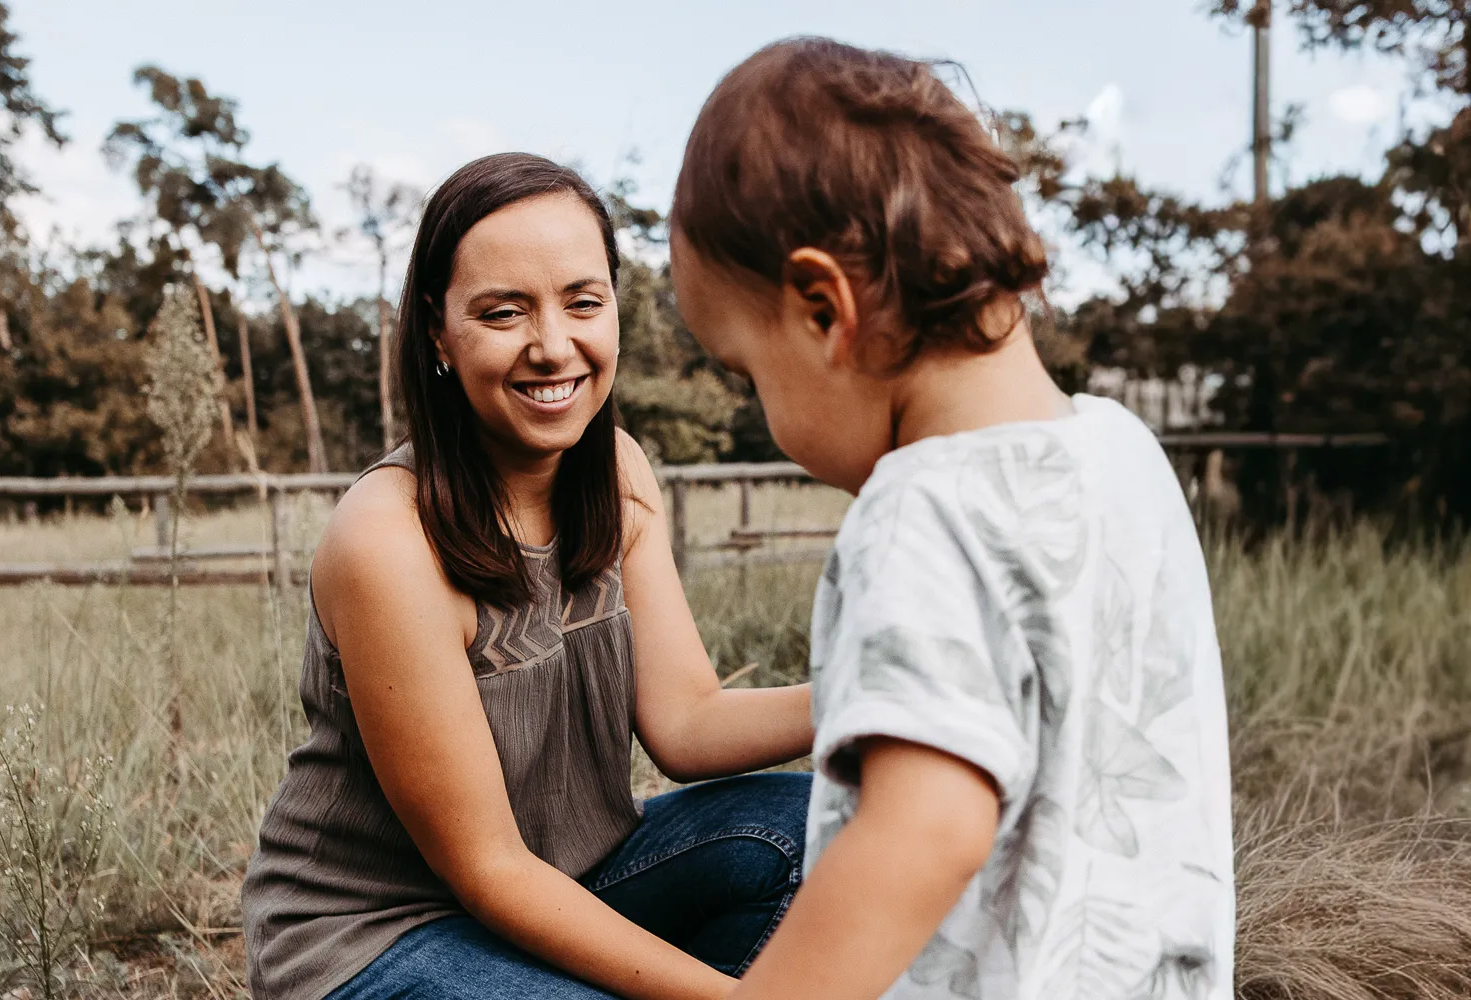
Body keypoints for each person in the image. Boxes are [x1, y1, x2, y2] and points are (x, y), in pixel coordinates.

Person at [668, 37, 1235, 1000]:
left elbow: (925, 830)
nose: (757, 405)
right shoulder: (1119, 448)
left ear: (822, 309)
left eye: (744, 371)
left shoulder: (919, 510)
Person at [241, 152, 813, 1000]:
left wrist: (882, 695)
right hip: (378, 937)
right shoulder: (388, 540)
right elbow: (489, 870)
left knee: (817, 832)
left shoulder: (618, 472)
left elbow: (688, 723)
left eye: (584, 302)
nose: (553, 347)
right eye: (503, 313)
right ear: (438, 331)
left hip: (570, 880)